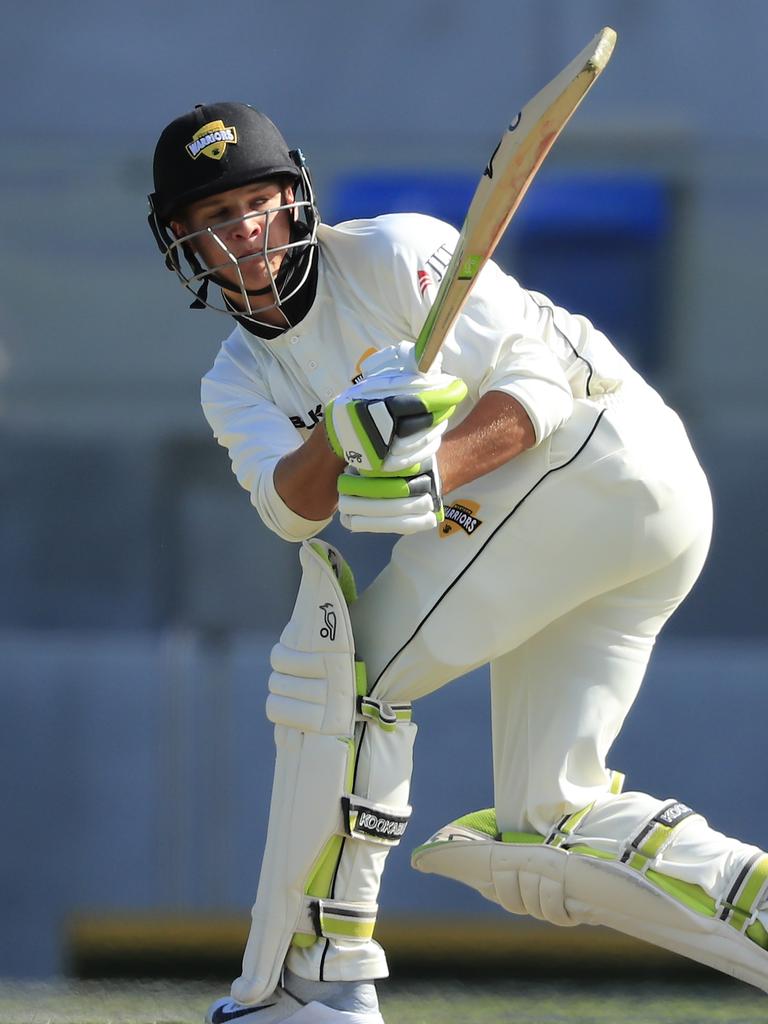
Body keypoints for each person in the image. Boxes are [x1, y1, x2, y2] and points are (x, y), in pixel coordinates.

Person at [149, 102, 768, 1023]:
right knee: (544, 832)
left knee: (346, 676)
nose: (241, 231)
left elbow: (542, 390)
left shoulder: (399, 251)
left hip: (607, 467)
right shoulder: (234, 379)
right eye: (211, 218)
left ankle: (317, 987)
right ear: (184, 245)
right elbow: (291, 509)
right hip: (570, 528)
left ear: (296, 199)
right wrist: (345, 423)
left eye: (255, 202)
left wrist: (429, 470)